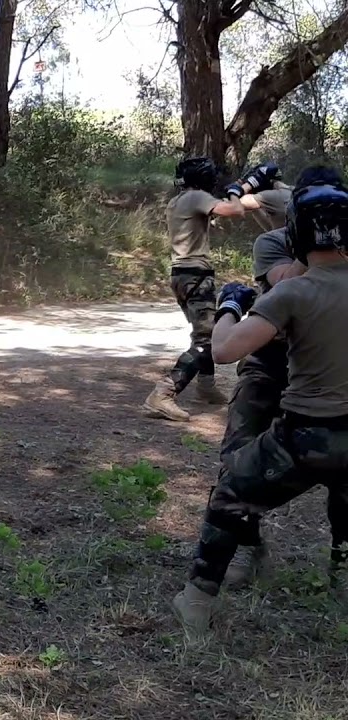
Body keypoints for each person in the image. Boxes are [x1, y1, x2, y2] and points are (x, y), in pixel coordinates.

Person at [172, 169, 348, 637]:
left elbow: (226, 349)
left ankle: (195, 602)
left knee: (231, 493)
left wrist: (231, 305)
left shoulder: (295, 290)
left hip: (305, 434)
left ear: (296, 230)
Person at [212, 165, 333, 588]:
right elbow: (288, 280)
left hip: (326, 363)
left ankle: (340, 558)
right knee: (237, 454)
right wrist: (317, 242)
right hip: (271, 358)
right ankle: (245, 546)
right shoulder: (272, 242)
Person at [142, 156, 252, 421]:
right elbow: (235, 211)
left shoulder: (178, 200)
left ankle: (206, 387)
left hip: (181, 274)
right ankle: (164, 393)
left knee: (204, 332)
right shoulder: (196, 197)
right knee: (207, 338)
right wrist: (236, 192)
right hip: (195, 275)